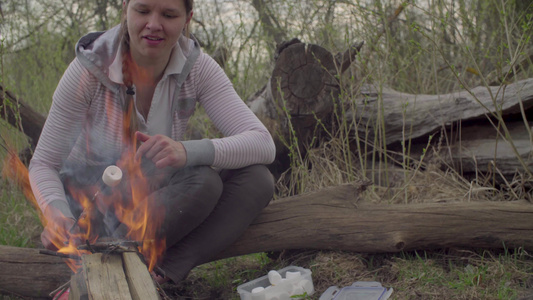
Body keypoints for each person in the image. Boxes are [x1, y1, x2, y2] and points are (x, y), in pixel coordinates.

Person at [28, 0, 276, 284]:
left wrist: (185, 151)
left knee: (256, 179)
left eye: (169, 14)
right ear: (126, 10)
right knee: (204, 182)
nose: (154, 24)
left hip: (152, 202)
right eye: (143, 10)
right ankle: (101, 265)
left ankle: (163, 273)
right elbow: (43, 163)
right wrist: (55, 213)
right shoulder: (89, 69)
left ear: (187, 19)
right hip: (94, 208)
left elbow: (262, 143)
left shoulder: (198, 68)